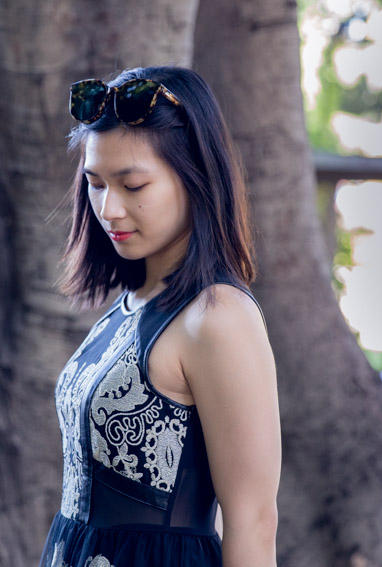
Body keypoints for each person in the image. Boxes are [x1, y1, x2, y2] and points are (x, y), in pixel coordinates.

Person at [40, 65, 281, 567]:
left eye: (132, 185)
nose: (107, 209)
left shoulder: (217, 318)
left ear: (194, 177)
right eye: (96, 183)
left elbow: (253, 521)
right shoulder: (133, 303)